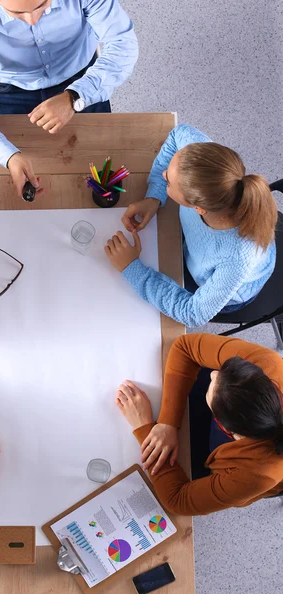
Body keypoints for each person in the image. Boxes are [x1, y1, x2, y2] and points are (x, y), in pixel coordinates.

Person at [0, 0, 138, 198]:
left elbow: (123, 44)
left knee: (101, 171)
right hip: (6, 90)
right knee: (16, 178)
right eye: (16, 13)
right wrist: (6, 155)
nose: (32, 21)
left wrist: (75, 96)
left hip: (81, 76)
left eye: (42, 5)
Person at [104, 124, 278, 328]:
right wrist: (155, 196)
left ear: (198, 208)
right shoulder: (204, 162)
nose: (163, 175)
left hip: (224, 288)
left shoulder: (237, 258)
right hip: (199, 252)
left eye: (167, 182)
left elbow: (192, 314)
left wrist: (132, 267)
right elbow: (178, 135)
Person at [115, 333, 283, 516]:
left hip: (230, 464)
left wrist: (145, 427)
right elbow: (185, 347)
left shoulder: (258, 473)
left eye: (214, 384)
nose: (213, 372)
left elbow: (178, 501)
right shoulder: (268, 363)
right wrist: (167, 422)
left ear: (224, 427)